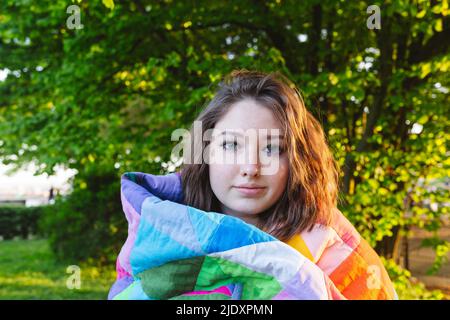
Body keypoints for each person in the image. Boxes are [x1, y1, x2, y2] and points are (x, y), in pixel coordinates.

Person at [109, 70, 397, 300]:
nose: (251, 167)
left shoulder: (333, 246)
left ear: (296, 161)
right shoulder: (158, 232)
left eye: (272, 149)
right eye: (232, 145)